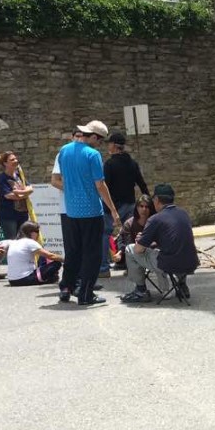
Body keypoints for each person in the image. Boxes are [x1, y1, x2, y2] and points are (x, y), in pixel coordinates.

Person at [55, 120, 120, 306]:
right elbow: (100, 185)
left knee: (74, 252)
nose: (99, 144)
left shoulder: (64, 151)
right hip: (91, 211)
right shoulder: (93, 155)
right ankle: (86, 294)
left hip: (71, 211)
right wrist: (113, 210)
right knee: (92, 254)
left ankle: (67, 287)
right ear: (93, 137)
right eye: (99, 140)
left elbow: (64, 179)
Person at [120, 184, 199, 302]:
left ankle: (140, 291)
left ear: (156, 200)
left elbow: (138, 250)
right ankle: (181, 285)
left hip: (169, 265)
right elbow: (172, 239)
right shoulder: (184, 214)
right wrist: (153, 239)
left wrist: (141, 241)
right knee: (177, 250)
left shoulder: (155, 219)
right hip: (191, 263)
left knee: (130, 249)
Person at [101, 132, 149, 275]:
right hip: (129, 204)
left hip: (112, 206)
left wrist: (107, 206)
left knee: (104, 233)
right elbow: (141, 183)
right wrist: (148, 201)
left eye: (109, 143)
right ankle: (132, 266)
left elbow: (105, 186)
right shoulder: (132, 163)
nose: (108, 146)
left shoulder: (109, 164)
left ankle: (103, 268)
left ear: (115, 146)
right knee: (130, 234)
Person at [6, 221, 63, 286]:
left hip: (12, 280)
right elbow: (51, 256)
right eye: (37, 232)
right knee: (56, 263)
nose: (38, 235)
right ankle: (49, 278)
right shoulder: (30, 242)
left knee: (42, 257)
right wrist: (67, 260)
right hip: (25, 278)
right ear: (32, 233)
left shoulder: (14, 242)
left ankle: (48, 278)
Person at [0, 151, 34, 240]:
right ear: (5, 163)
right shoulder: (2, 178)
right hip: (8, 216)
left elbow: (31, 188)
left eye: (16, 159)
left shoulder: (19, 175)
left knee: (22, 240)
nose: (16, 161)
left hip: (23, 214)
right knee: (11, 241)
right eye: (12, 160)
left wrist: (19, 193)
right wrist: (25, 194)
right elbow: (9, 195)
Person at [114, 194, 153, 267]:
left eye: (147, 207)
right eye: (141, 206)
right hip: (134, 254)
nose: (144, 209)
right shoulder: (129, 224)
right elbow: (128, 244)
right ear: (137, 208)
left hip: (151, 253)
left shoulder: (155, 222)